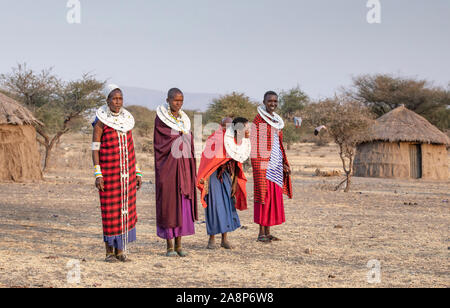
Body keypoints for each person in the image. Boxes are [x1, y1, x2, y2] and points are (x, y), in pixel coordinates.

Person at [92, 84, 142, 262]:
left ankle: (121, 251)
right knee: (110, 212)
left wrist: (137, 171)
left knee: (125, 211)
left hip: (127, 175)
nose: (118, 102)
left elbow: (131, 148)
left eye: (120, 99)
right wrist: (98, 174)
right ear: (107, 100)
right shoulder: (100, 121)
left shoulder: (126, 121)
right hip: (109, 175)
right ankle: (109, 252)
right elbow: (95, 148)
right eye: (114, 98)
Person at [154, 88, 197, 257]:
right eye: (175, 100)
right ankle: (169, 246)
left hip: (184, 168)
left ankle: (179, 245)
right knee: (170, 205)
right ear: (168, 99)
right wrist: (180, 137)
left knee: (182, 205)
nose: (178, 104)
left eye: (181, 101)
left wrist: (186, 137)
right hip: (168, 168)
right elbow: (161, 142)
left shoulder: (183, 119)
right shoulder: (161, 119)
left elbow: (188, 139)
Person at [197, 117, 250, 249]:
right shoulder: (215, 139)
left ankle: (224, 239)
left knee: (227, 205)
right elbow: (207, 162)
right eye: (224, 126)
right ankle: (212, 239)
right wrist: (205, 180)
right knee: (214, 206)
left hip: (227, 175)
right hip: (213, 177)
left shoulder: (236, 142)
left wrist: (234, 183)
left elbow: (237, 163)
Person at [251, 91, 293, 243]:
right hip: (264, 166)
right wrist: (262, 165)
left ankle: (268, 231)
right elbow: (256, 146)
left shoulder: (275, 120)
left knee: (273, 198)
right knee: (264, 197)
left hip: (275, 165)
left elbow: (277, 144)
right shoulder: (258, 120)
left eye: (275, 101)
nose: (273, 104)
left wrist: (283, 163)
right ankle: (261, 233)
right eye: (270, 101)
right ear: (264, 101)